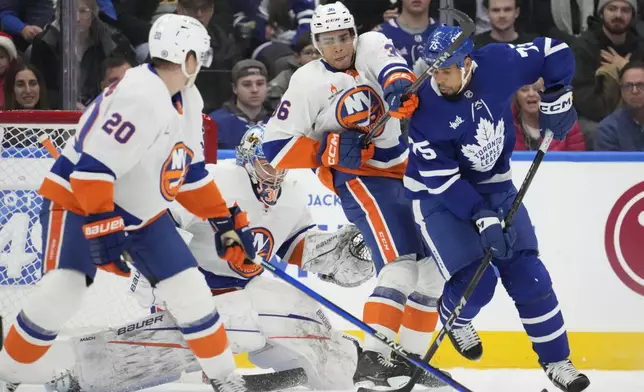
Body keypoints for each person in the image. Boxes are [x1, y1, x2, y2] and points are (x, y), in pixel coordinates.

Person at [0, 14, 257, 392]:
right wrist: (103, 226)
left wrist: (224, 222)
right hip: (79, 202)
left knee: (190, 289)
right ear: (187, 58)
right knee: (64, 289)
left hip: (140, 212)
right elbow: (90, 172)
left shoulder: (187, 95)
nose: (201, 65)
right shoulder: (139, 95)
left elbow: (187, 172)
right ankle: (7, 374)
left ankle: (223, 377)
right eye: (199, 57)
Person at [42, 125, 375, 392]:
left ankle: (331, 375)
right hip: (189, 284)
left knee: (305, 313)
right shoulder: (219, 180)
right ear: (247, 158)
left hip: (243, 287)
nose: (276, 170)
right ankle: (83, 377)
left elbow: (297, 245)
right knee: (233, 327)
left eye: (281, 162)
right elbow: (160, 224)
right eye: (267, 160)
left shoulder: (291, 195)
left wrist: (340, 253)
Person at [263, 2, 447, 389]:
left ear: (353, 34)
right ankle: (375, 360)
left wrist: (399, 89)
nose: (339, 47)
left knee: (431, 275)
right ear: (317, 43)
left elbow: (391, 69)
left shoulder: (372, 43)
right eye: (329, 41)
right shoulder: (306, 82)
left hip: (403, 171)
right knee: (400, 263)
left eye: (344, 37)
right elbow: (274, 148)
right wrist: (324, 150)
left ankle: (410, 360)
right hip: (359, 180)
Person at [405, 25, 591, 392]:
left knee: (529, 274)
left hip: (496, 186)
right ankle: (454, 317)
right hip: (438, 195)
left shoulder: (500, 61)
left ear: (468, 63)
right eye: (434, 70)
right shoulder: (424, 110)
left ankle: (557, 361)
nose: (439, 79)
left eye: (447, 70)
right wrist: (481, 215)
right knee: (478, 283)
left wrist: (558, 95)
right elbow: (443, 182)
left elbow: (555, 51)